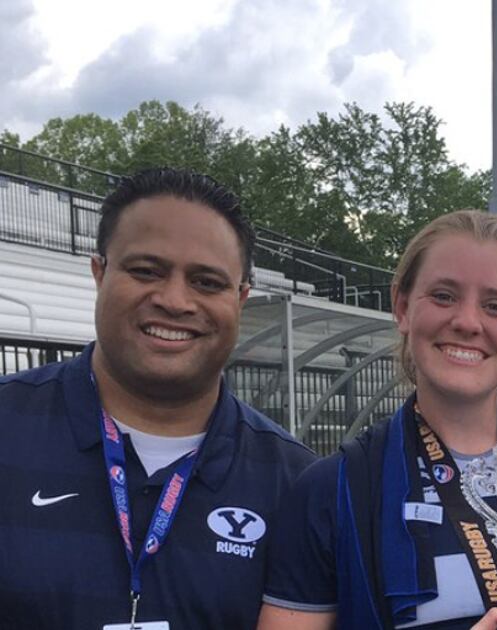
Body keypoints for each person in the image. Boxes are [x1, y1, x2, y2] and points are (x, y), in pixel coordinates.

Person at [258, 210, 497, 630]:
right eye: (444, 296)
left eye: (496, 306)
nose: (466, 322)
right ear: (403, 307)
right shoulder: (332, 490)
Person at [0, 168, 316, 629]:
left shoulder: (297, 483)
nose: (174, 300)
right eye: (146, 271)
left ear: (241, 298)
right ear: (98, 272)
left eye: (207, 282)